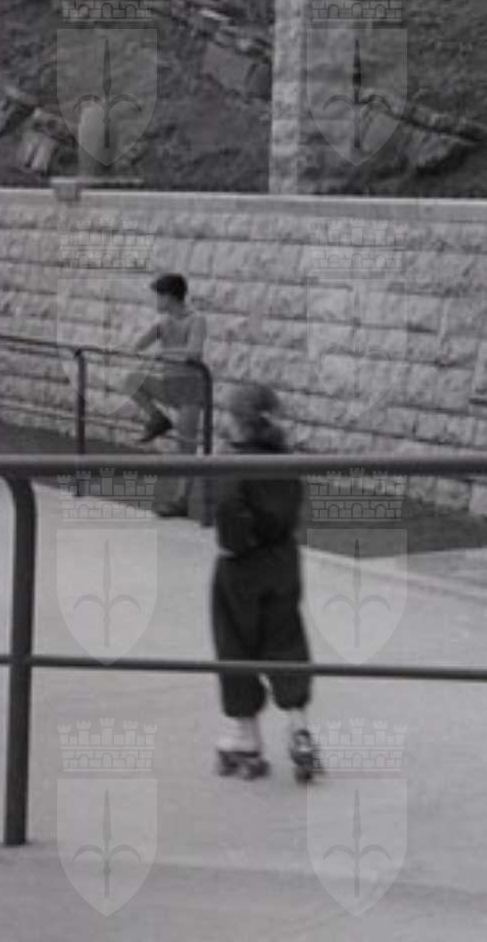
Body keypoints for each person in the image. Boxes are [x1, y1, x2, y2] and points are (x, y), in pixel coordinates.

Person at [210, 382, 320, 780]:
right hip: (283, 559)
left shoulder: (233, 463)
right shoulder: (285, 461)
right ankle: (299, 728)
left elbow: (228, 511)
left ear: (239, 422)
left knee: (235, 645)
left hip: (243, 566)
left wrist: (239, 541)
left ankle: (246, 737)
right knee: (285, 639)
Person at [129, 273, 208, 520]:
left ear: (170, 297)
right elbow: (137, 346)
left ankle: (181, 501)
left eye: (159, 296)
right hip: (169, 384)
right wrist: (154, 332)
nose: (156, 301)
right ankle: (158, 419)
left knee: (186, 447)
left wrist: (164, 353)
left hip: (190, 390)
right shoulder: (164, 321)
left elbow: (194, 353)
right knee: (132, 381)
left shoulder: (196, 320)